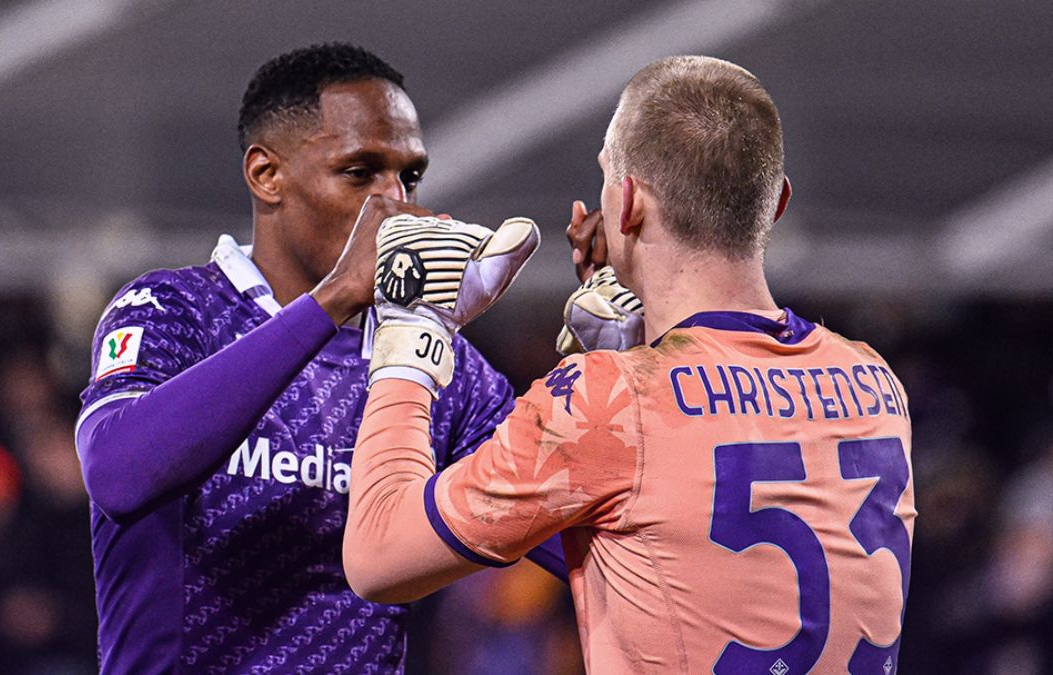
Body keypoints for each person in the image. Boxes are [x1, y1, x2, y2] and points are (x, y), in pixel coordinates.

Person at [343, 55, 915, 673]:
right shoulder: (874, 381)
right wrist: (634, 348)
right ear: (775, 203)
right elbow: (685, 550)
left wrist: (412, 326)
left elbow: (378, 557)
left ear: (629, 203)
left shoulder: (608, 402)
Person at [74, 43, 561, 674]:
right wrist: (334, 298)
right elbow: (119, 471)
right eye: (361, 174)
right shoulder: (173, 309)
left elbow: (584, 541)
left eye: (408, 177)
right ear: (266, 175)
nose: (396, 204)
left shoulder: (433, 367)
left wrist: (618, 374)